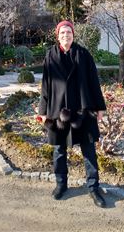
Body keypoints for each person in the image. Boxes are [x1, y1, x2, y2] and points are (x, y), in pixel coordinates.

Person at [38, 20, 107, 207]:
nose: (65, 36)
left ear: (73, 35)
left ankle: (93, 188)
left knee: (89, 151)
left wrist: (100, 108)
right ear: (57, 36)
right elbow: (45, 85)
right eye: (62, 33)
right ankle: (61, 184)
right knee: (59, 151)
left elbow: (94, 82)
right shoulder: (50, 56)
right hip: (57, 110)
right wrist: (42, 111)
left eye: (68, 32)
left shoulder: (83, 54)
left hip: (82, 110)